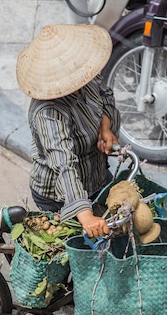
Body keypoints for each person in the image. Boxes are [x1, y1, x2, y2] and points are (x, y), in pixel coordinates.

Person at [16, 24, 121, 238]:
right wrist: (85, 215)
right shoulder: (48, 112)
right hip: (60, 195)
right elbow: (64, 164)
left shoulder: (87, 77)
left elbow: (106, 95)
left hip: (97, 174)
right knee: (71, 255)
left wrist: (105, 127)